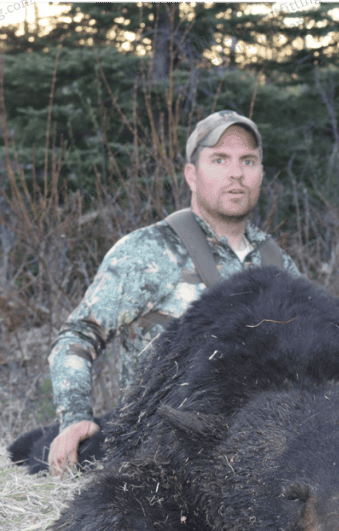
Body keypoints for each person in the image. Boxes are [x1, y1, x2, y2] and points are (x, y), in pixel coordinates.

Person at [46, 111, 301, 475]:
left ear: (260, 173)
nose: (236, 173)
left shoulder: (279, 265)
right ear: (191, 175)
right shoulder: (150, 251)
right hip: (160, 458)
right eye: (219, 160)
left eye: (248, 161)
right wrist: (74, 418)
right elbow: (78, 336)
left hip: (260, 459)